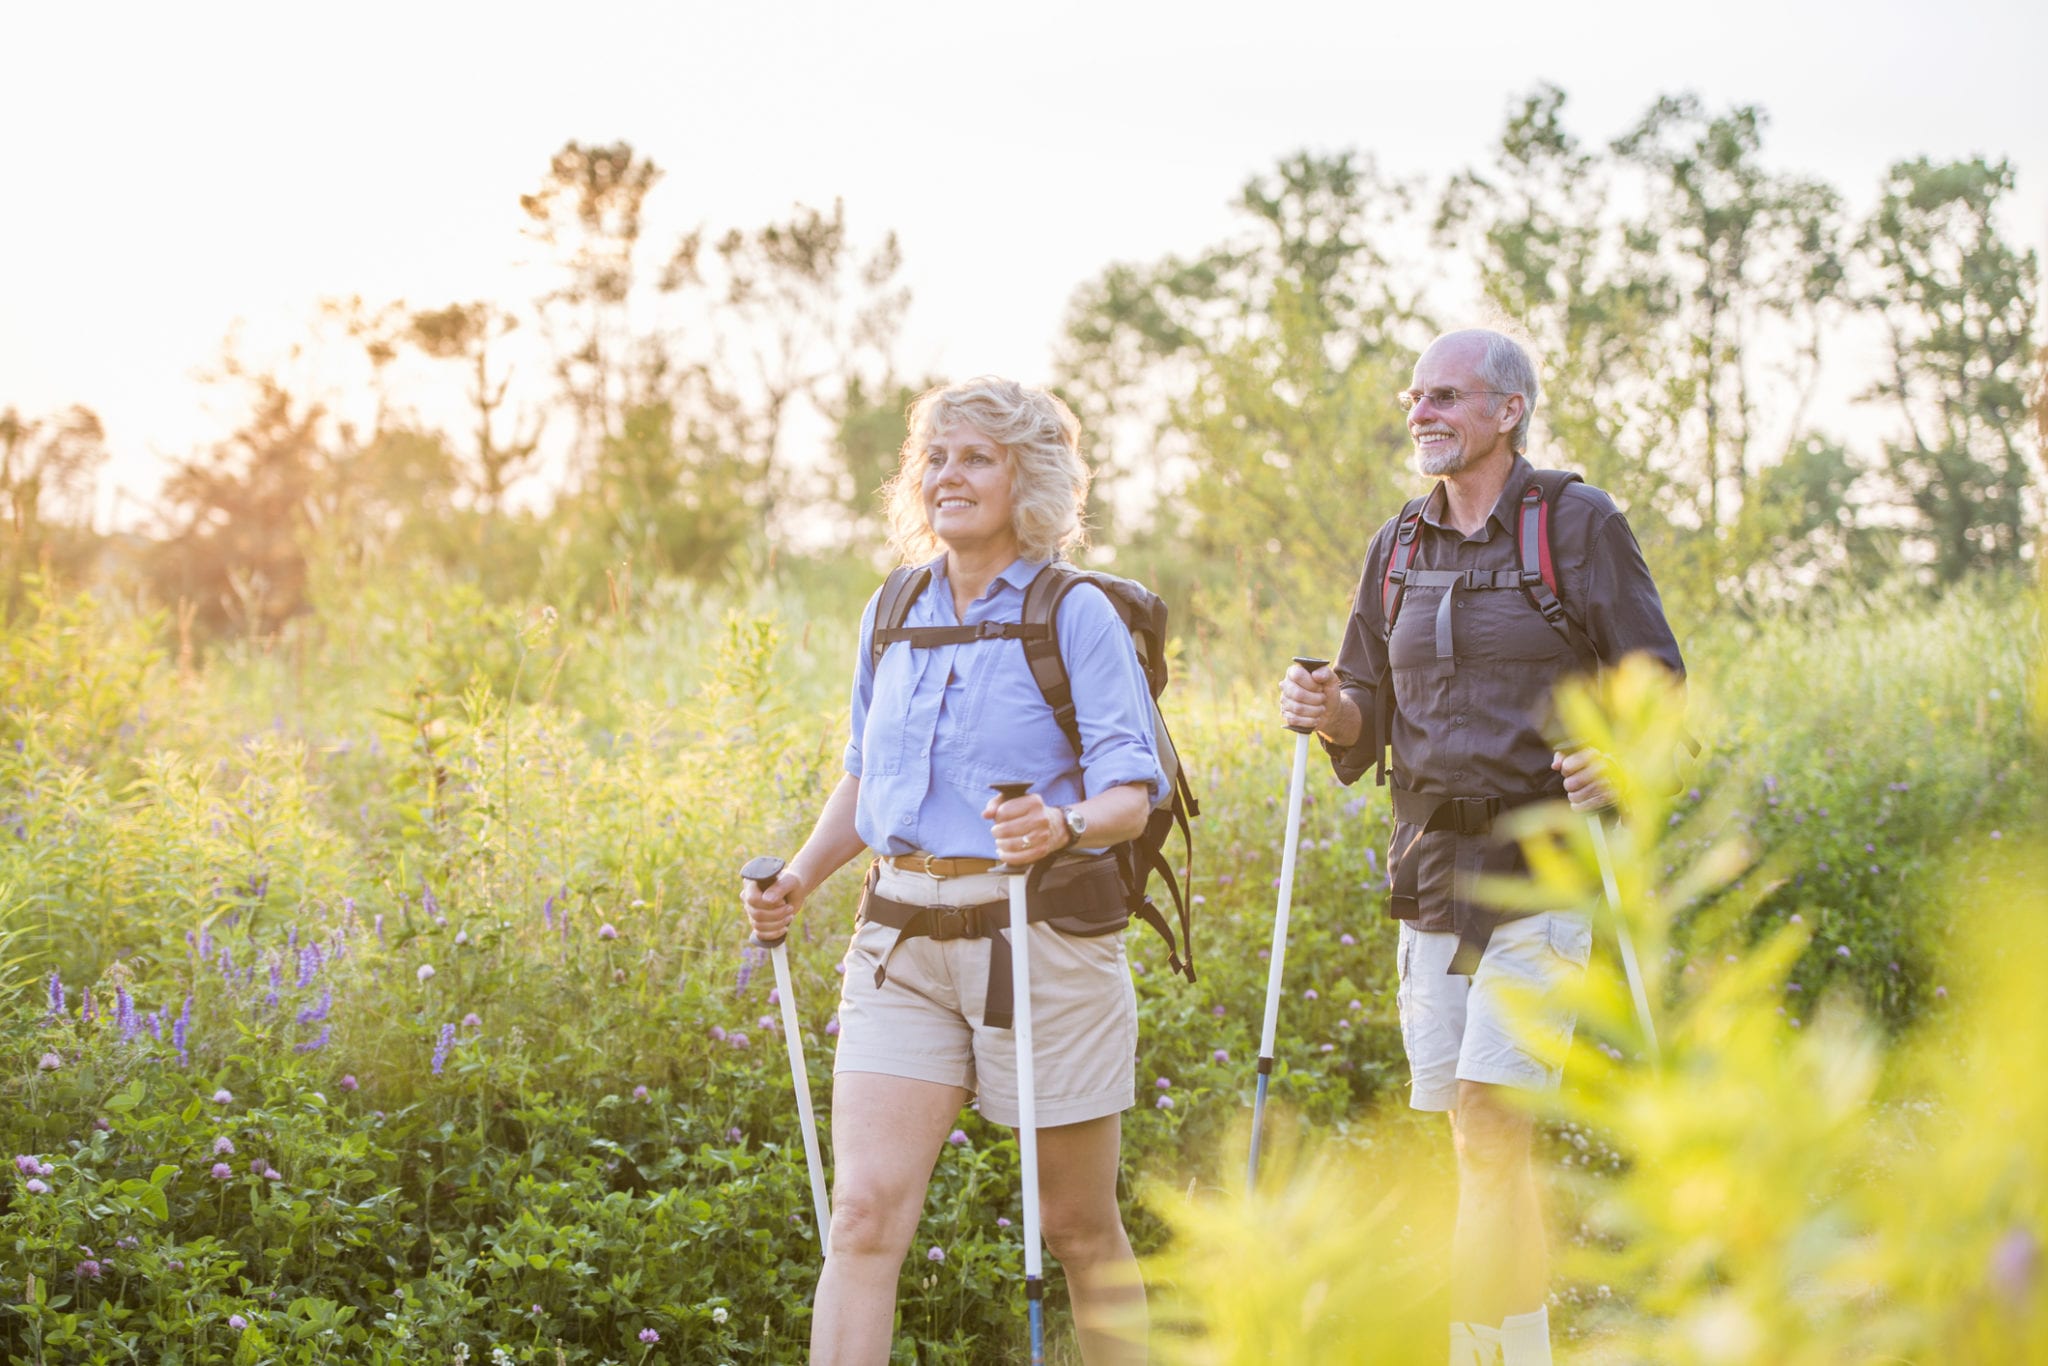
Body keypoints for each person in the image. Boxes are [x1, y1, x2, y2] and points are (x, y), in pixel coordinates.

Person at [1278, 329, 1684, 1366]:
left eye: (1447, 397)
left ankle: (1470, 1353)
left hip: (1543, 865)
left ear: (1507, 411)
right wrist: (1322, 707)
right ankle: (1527, 1348)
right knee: (1475, 1139)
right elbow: (1362, 714)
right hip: (1426, 876)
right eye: (1415, 396)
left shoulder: (1576, 524)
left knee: (1489, 1122)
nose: (1422, 412)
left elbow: (1654, 677)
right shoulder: (1396, 544)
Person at [742, 377, 1161, 1365]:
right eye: (934, 457)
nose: (946, 476)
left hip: (1037, 943)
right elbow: (863, 777)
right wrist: (800, 876)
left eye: (974, 456)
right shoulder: (891, 608)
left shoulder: (1077, 612)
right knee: (861, 1218)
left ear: (1029, 478)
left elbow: (1126, 797)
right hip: (896, 941)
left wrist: (1055, 823)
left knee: (1076, 1226)